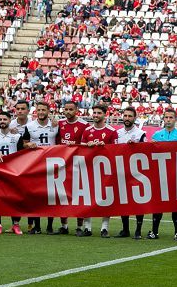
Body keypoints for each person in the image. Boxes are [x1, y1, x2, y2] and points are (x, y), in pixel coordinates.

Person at [79, 104, 119, 237]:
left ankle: (104, 228)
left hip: (105, 169)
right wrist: (87, 146)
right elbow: (80, 149)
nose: (95, 115)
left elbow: (116, 150)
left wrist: (105, 147)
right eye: (94, 113)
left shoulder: (112, 131)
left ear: (104, 115)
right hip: (89, 168)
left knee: (105, 197)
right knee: (87, 197)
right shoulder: (87, 131)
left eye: (98, 113)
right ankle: (87, 228)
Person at [149, 108, 177, 241]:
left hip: (175, 175)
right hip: (160, 175)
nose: (168, 120)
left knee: (175, 204)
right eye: (166, 117)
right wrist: (150, 146)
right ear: (163, 118)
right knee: (158, 203)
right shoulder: (156, 135)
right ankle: (154, 231)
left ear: (176, 119)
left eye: (171, 117)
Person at [23, 101, 59, 234]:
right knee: (35, 195)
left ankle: (49, 227)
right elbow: (23, 143)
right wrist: (29, 145)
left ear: (48, 111)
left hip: (52, 164)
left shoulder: (55, 125)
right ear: (36, 111)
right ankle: (36, 226)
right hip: (35, 164)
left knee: (51, 196)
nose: (41, 112)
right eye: (39, 110)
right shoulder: (30, 126)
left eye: (44, 110)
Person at [55, 101, 88, 235]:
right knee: (62, 195)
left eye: (71, 109)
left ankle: (79, 227)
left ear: (76, 110)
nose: (68, 111)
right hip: (63, 164)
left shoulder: (84, 125)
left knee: (78, 196)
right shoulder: (59, 124)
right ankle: (64, 226)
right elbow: (56, 142)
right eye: (66, 109)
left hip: (78, 164)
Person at [115, 107, 147, 239]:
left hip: (136, 172)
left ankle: (138, 230)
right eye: (125, 116)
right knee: (124, 201)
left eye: (130, 116)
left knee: (138, 201)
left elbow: (146, 151)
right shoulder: (117, 133)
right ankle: (125, 229)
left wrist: (137, 146)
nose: (127, 118)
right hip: (121, 171)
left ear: (135, 118)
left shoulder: (141, 133)